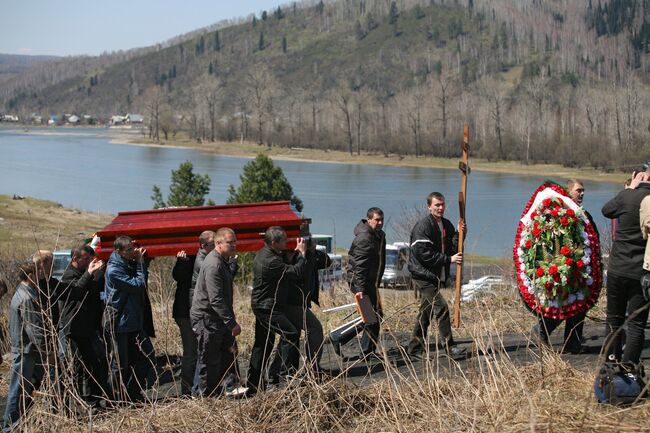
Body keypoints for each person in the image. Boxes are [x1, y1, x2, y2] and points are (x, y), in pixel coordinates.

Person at [534, 179, 599, 354]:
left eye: (583, 190)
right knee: (563, 305)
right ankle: (540, 331)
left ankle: (573, 342)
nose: (582, 194)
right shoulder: (560, 214)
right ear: (568, 192)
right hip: (565, 268)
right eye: (579, 190)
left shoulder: (583, 214)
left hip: (582, 268)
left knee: (579, 306)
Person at [246, 226, 306, 395]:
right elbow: (295, 273)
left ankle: (254, 382)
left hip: (263, 304)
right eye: (284, 241)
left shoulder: (265, 253)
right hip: (267, 307)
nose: (287, 243)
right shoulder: (270, 260)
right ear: (274, 243)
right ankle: (283, 376)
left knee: (263, 343)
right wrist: (301, 254)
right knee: (291, 334)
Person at [406, 192, 464, 359]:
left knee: (426, 312)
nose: (440, 208)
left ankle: (414, 348)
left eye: (442, 204)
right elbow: (422, 254)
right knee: (442, 307)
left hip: (435, 275)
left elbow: (453, 248)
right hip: (422, 274)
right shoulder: (423, 227)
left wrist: (460, 234)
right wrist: (448, 259)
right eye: (437, 205)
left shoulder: (446, 224)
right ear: (429, 206)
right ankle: (449, 347)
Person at [601, 171, 650, 365]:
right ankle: (630, 370)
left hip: (618, 268)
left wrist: (629, 189)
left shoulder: (628, 196)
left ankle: (610, 365)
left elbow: (606, 210)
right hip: (642, 271)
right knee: (637, 324)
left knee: (614, 320)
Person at [190, 227, 241, 397]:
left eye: (234, 241)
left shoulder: (222, 260)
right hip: (207, 319)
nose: (234, 245)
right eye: (229, 242)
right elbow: (216, 299)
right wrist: (231, 322)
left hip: (216, 318)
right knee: (209, 361)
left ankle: (224, 390)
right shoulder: (214, 264)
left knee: (225, 355)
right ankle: (206, 400)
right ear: (218, 243)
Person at [330, 208, 386, 358]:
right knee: (371, 317)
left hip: (371, 283)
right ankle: (358, 348)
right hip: (362, 284)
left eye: (382, 220)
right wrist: (359, 289)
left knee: (373, 316)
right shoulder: (364, 238)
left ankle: (358, 347)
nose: (380, 223)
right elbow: (358, 266)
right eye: (377, 220)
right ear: (369, 220)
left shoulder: (378, 235)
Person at [3, 260, 51, 430]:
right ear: (30, 276)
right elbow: (34, 329)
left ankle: (24, 419)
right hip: (26, 350)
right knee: (18, 389)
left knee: (30, 384)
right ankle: (10, 426)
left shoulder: (26, 293)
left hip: (28, 350)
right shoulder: (26, 297)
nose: (41, 276)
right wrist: (47, 351)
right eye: (38, 273)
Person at [58, 243, 108, 403]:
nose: (88, 262)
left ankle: (94, 395)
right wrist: (90, 272)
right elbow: (78, 291)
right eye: (86, 259)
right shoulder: (68, 275)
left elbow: (92, 289)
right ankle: (84, 398)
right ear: (75, 259)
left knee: (94, 361)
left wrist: (99, 272)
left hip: (86, 326)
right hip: (74, 327)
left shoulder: (83, 272)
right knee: (81, 365)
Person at [103, 235, 151, 401]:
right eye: (129, 250)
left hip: (132, 321)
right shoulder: (114, 270)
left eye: (133, 248)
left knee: (145, 356)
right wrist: (139, 264)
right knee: (120, 364)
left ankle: (132, 393)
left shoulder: (125, 263)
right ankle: (114, 399)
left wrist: (143, 262)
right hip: (120, 322)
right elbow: (138, 285)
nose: (133, 252)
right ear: (119, 251)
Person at [171, 250, 196, 395]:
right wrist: (182, 262)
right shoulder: (187, 258)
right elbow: (178, 276)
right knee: (191, 351)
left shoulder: (206, 257)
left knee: (197, 351)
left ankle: (197, 386)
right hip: (185, 312)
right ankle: (187, 390)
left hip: (194, 311)